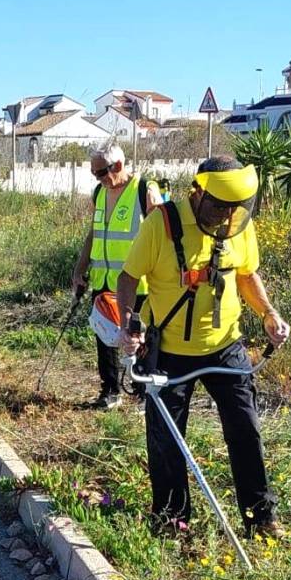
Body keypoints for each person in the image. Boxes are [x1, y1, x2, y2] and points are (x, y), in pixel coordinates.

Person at [116, 156, 290, 537]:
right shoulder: (161, 224)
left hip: (227, 347)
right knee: (166, 440)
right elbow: (128, 277)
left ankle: (260, 519)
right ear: (197, 192)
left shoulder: (238, 225)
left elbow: (247, 274)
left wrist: (268, 314)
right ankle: (172, 522)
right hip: (170, 352)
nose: (226, 216)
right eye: (219, 206)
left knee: (246, 430)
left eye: (234, 208)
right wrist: (129, 323)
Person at [72, 143, 162, 409]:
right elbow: (94, 233)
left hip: (137, 284)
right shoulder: (100, 192)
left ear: (118, 166)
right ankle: (110, 391)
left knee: (140, 339)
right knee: (105, 336)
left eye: (100, 173)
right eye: (94, 174)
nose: (97, 179)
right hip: (103, 281)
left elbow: (161, 234)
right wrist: (80, 269)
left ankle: (144, 393)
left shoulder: (145, 189)